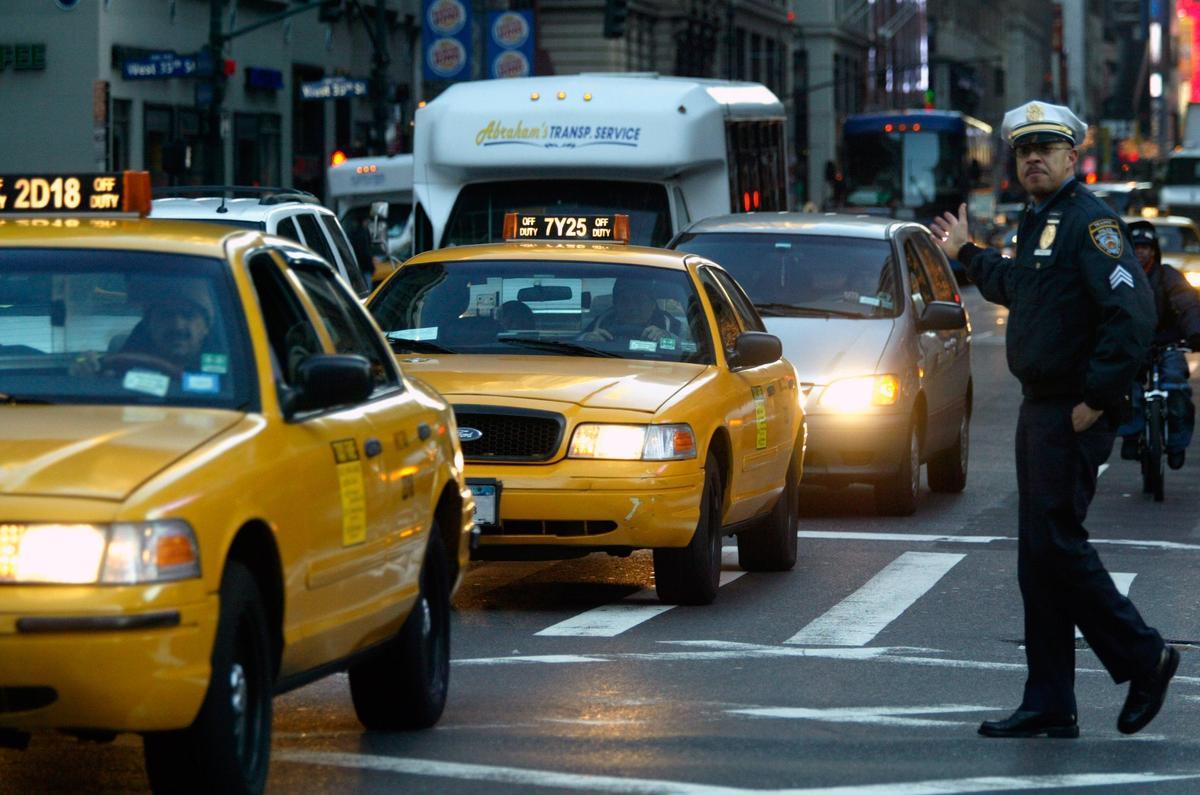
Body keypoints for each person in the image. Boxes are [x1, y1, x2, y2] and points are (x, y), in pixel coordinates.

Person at [930, 100, 1178, 739]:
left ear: (1074, 157)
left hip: (1070, 409)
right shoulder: (1041, 221)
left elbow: (1135, 315)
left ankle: (1145, 655)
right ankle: (1049, 700)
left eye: (1048, 147)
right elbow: (1022, 288)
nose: (1034, 157)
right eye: (1025, 149)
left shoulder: (1090, 223)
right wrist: (968, 253)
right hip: (1041, 406)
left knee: (1057, 544)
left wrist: (1096, 398)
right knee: (1039, 557)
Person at [1118, 220, 1200, 469]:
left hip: (1168, 344)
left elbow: (1188, 303)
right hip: (1132, 345)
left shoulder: (1168, 275)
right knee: (1124, 387)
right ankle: (1131, 435)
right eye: (1137, 246)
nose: (1141, 251)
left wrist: (1196, 332)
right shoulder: (1119, 276)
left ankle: (1176, 443)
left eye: (1146, 246)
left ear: (1154, 250)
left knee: (1176, 386)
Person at [579, 278, 678, 345]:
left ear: (652, 305)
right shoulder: (600, 323)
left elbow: (688, 347)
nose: (632, 307)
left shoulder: (673, 325)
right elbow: (573, 343)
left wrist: (668, 339)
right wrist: (587, 339)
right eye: (624, 300)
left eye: (639, 300)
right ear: (615, 305)